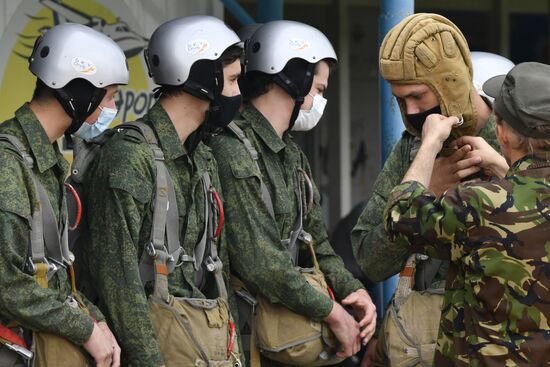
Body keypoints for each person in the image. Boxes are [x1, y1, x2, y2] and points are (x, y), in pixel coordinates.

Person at [208, 20, 376, 367]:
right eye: (318, 87)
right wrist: (333, 313)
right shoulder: (231, 149)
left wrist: (351, 289)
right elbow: (262, 263)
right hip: (248, 336)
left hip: (288, 332)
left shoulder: (292, 155)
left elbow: (318, 242)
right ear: (294, 78)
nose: (320, 99)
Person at [79, 16, 244, 367]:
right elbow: (119, 284)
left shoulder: (203, 159)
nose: (236, 94)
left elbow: (218, 276)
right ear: (202, 78)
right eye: (231, 80)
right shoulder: (129, 157)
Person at [349, 13, 513, 366]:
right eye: (400, 98)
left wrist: (503, 172)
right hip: (425, 342)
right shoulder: (413, 148)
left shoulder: (515, 137)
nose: (410, 110)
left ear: (449, 81)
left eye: (418, 96)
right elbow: (369, 259)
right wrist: (428, 186)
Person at [384, 61, 550, 366]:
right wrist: (505, 167)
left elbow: (399, 215)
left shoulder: (478, 204)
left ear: (503, 135)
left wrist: (430, 143)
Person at [0, 23, 128, 367]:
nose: (112, 108)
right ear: (80, 94)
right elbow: (6, 285)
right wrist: (85, 329)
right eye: (110, 95)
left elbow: (53, 277)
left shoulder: (42, 161)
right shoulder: (7, 166)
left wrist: (96, 320)